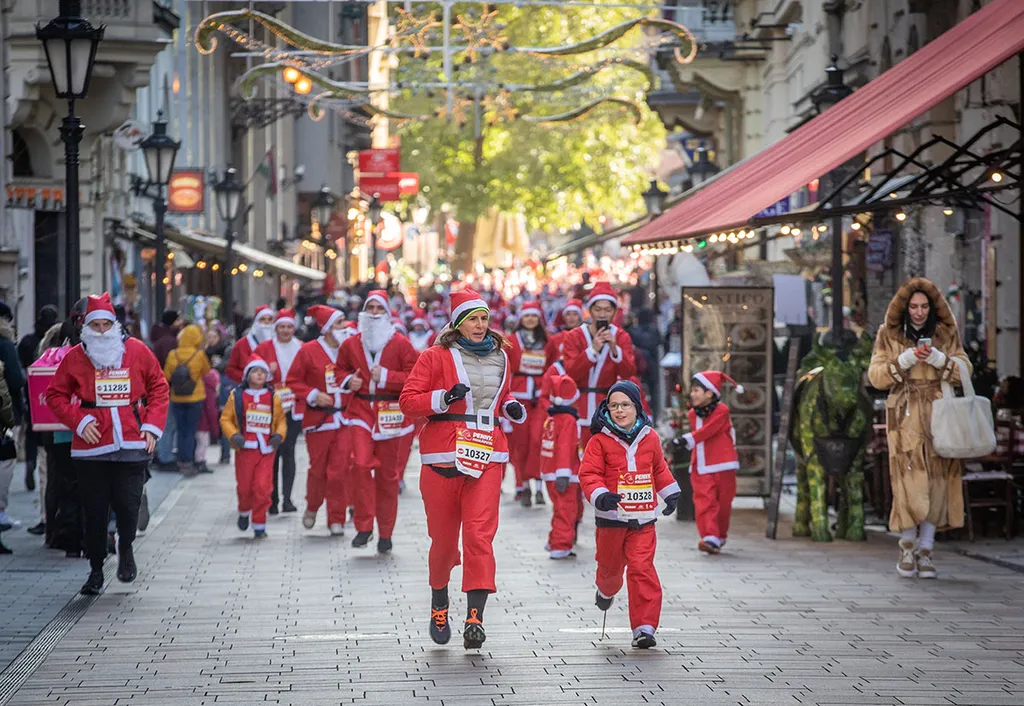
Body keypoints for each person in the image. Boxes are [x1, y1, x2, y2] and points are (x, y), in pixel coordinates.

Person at [400, 288, 526, 650]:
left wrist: (512, 407)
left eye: (484, 318)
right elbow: (408, 402)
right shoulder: (434, 357)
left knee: (479, 536)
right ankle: (440, 603)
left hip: (487, 453)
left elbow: (501, 397)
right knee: (442, 541)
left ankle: (475, 617)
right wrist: (442, 398)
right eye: (473, 318)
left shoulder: (502, 356)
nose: (481, 325)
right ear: (457, 323)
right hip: (442, 456)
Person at [45, 293, 169, 595]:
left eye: (105, 325)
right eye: (95, 325)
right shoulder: (76, 357)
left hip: (132, 443)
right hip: (91, 449)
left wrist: (151, 426)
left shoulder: (137, 352)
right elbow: (55, 395)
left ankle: (126, 547)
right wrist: (79, 421)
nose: (101, 330)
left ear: (115, 325)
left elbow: (158, 388)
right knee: (95, 512)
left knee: (128, 507)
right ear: (86, 327)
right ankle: (96, 569)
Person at [867, 277, 970, 579]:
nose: (919, 312)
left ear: (933, 307)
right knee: (908, 480)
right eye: (913, 306)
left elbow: (965, 368)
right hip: (904, 413)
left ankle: (926, 550)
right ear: (905, 307)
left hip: (940, 411)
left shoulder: (945, 333)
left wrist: (941, 360)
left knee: (937, 481)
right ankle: (907, 544)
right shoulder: (888, 333)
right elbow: (875, 375)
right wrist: (904, 360)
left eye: (925, 306)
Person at [578, 381, 680, 649]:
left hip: (643, 519)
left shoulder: (650, 437)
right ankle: (605, 590)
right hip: (611, 520)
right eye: (614, 406)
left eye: (625, 405)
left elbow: (658, 468)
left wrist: (670, 493)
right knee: (611, 571)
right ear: (607, 409)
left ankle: (644, 627)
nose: (620, 411)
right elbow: (589, 474)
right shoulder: (599, 441)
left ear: (637, 407)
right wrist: (601, 495)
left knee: (641, 568)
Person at [338, 291, 419, 553]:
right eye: (369, 308)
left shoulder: (401, 344)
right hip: (361, 409)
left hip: (391, 413)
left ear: (386, 314)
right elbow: (339, 368)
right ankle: (363, 525)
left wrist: (386, 376)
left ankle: (385, 532)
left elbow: (414, 376)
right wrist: (349, 380)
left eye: (378, 309)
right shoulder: (351, 344)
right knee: (360, 465)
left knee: (388, 477)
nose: (373, 312)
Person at [286, 305, 353, 536]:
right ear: (326, 328)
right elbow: (293, 380)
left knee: (340, 470)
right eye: (338, 323)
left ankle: (336, 518)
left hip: (345, 418)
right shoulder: (308, 351)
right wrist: (314, 395)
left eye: (344, 322)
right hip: (319, 420)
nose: (344, 327)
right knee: (318, 470)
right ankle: (313, 506)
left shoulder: (351, 349)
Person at [220, 355, 286, 539]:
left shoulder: (273, 397)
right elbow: (226, 419)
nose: (259, 374)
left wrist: (279, 435)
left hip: (266, 450)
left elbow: (280, 420)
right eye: (255, 371)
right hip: (245, 450)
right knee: (244, 487)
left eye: (263, 372)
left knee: (263, 488)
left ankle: (259, 524)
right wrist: (233, 435)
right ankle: (243, 511)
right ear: (247, 375)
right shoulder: (237, 396)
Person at [563, 282, 637, 446]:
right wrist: (593, 349)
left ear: (614, 312)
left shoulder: (622, 336)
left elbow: (628, 372)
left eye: (607, 310)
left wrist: (614, 348)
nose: (602, 314)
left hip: (607, 407)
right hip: (578, 405)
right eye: (598, 309)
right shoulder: (574, 336)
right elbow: (572, 372)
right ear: (590, 310)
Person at [681, 371, 742, 554]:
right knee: (704, 501)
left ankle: (719, 535)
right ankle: (709, 537)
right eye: (692, 390)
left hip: (723, 463)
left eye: (697, 390)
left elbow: (709, 430)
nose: (692, 394)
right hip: (700, 465)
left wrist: (686, 439)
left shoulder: (722, 410)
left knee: (723, 503)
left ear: (710, 392)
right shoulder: (693, 414)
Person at [255, 309, 304, 514]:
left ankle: (288, 499)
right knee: (272, 453)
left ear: (294, 328)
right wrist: (267, 372)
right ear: (276, 328)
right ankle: (272, 498)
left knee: (289, 451)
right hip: (270, 407)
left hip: (293, 407)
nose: (285, 330)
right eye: (282, 327)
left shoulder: (302, 348)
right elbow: (251, 372)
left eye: (289, 327)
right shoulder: (264, 348)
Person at [507, 301, 552, 506]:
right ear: (521, 319)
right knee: (521, 443)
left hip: (540, 397)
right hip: (519, 397)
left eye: (534, 316)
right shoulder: (511, 341)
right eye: (527, 316)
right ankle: (524, 485)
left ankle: (540, 485)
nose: (531, 320)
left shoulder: (546, 341)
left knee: (538, 440)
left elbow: (552, 367)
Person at [540, 374, 584, 560]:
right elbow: (565, 448)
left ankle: (554, 540)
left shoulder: (551, 418)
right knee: (567, 512)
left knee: (559, 509)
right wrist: (564, 474)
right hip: (563, 475)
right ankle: (560, 545)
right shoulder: (568, 420)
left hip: (550, 473)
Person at [19, 304, 58, 494]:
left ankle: (30, 461)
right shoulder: (56, 341)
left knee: (32, 433)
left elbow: (20, 367)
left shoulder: (28, 341)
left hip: (32, 393)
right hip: (53, 396)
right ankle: (41, 461)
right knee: (46, 436)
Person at [162, 325, 211, 476]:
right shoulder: (199, 355)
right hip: (195, 398)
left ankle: (180, 461)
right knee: (190, 430)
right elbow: (207, 371)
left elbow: (167, 375)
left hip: (176, 397)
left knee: (180, 430)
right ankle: (188, 462)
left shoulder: (172, 354)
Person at [225, 305, 275, 385]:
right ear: (256, 322)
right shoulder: (242, 344)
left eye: (270, 319)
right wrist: (247, 379)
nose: (266, 322)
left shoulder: (278, 344)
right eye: (262, 319)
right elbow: (230, 369)